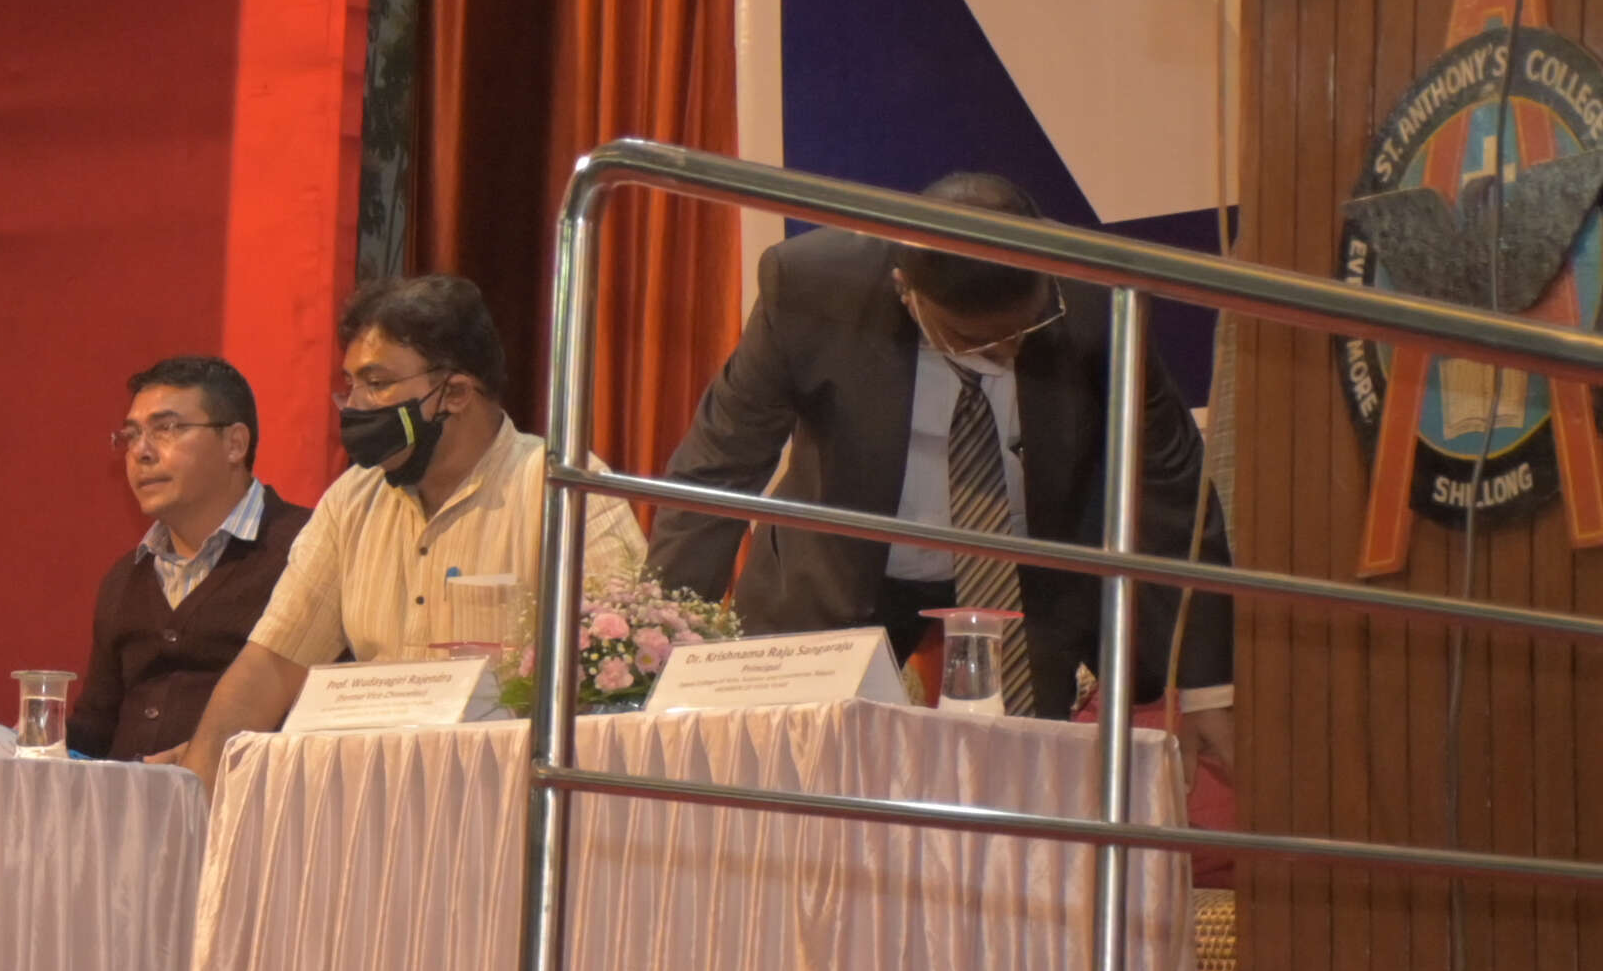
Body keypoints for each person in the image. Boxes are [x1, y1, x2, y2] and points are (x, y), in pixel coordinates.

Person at [647, 171, 1233, 766]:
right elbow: (720, 465)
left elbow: (1171, 482)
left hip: (1022, 576)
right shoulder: (810, 284)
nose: (1007, 353)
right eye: (976, 342)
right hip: (842, 569)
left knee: (1019, 776)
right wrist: (660, 643)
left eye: (1024, 330)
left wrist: (1206, 686)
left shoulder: (1099, 289)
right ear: (908, 292)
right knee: (802, 774)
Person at [172, 275, 646, 787]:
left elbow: (622, 680)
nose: (354, 406)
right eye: (350, 384)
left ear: (455, 393)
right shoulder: (352, 499)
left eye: (376, 383)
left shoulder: (566, 489)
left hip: (513, 797)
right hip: (372, 794)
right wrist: (200, 787)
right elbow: (270, 665)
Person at [68, 356, 307, 761]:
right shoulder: (126, 578)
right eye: (131, 435)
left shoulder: (307, 550)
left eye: (167, 429)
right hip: (130, 798)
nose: (141, 452)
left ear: (235, 444)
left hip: (250, 794)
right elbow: (93, 731)